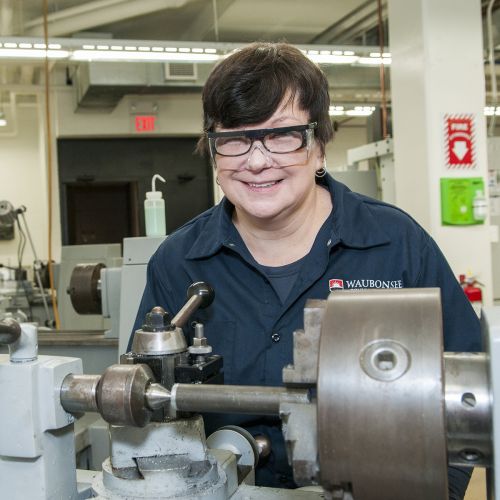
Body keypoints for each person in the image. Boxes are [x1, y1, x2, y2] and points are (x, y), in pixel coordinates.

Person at [129, 42, 481, 498]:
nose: (256, 161)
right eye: (234, 138)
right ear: (214, 154)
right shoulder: (178, 263)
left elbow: (468, 392)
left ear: (319, 145)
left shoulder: (396, 244)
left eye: (282, 135)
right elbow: (144, 404)